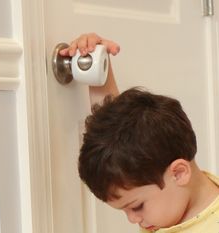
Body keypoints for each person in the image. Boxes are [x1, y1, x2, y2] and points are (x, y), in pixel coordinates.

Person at [60, 33, 219, 233]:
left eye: (136, 206)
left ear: (179, 173)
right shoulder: (164, 199)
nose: (133, 219)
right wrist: (96, 63)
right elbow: (115, 132)